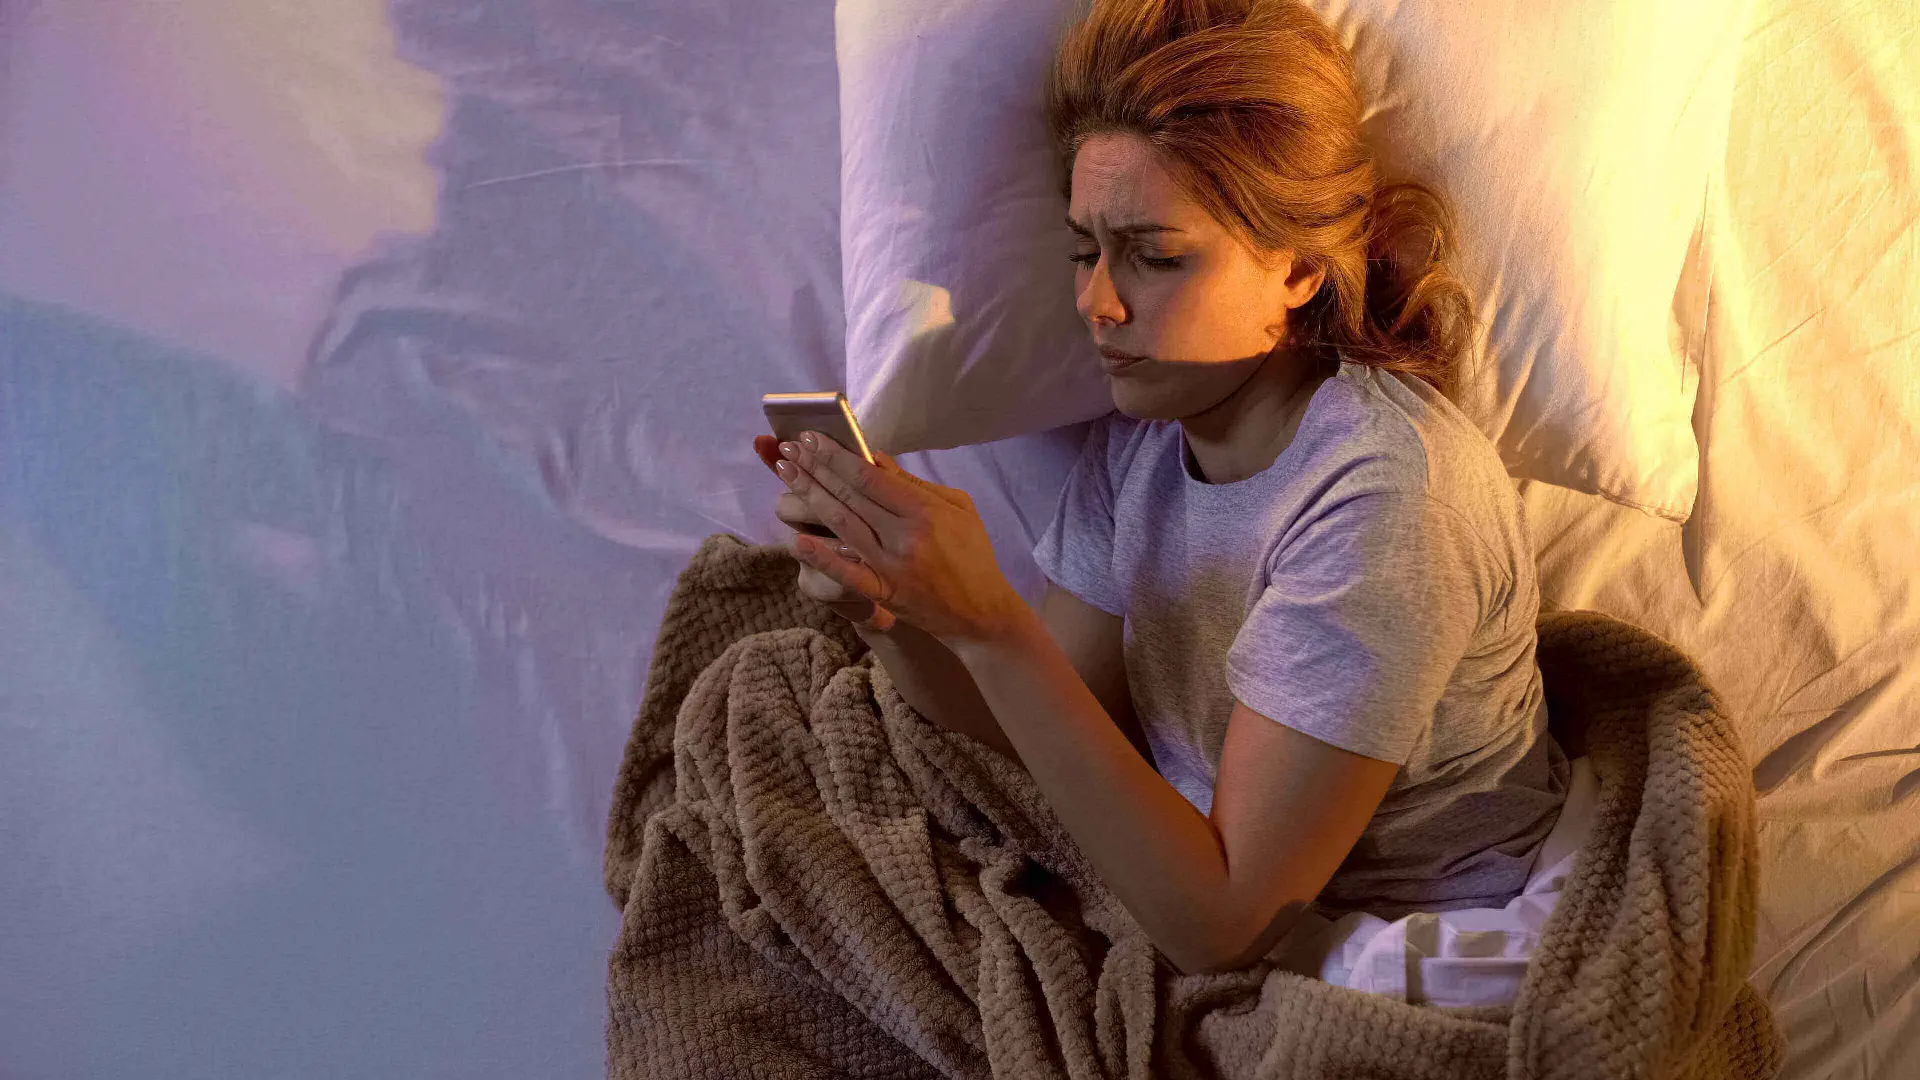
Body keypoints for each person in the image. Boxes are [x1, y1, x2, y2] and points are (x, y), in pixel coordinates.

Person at [751, 0, 1566, 982]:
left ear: (1300, 267)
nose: (1098, 300)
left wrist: (993, 625)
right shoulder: (1142, 442)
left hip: (1419, 942)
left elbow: (1225, 924)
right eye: (1086, 250)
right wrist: (896, 609)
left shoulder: (1385, 500)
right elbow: (1036, 727)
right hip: (1210, 891)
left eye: (1156, 255)